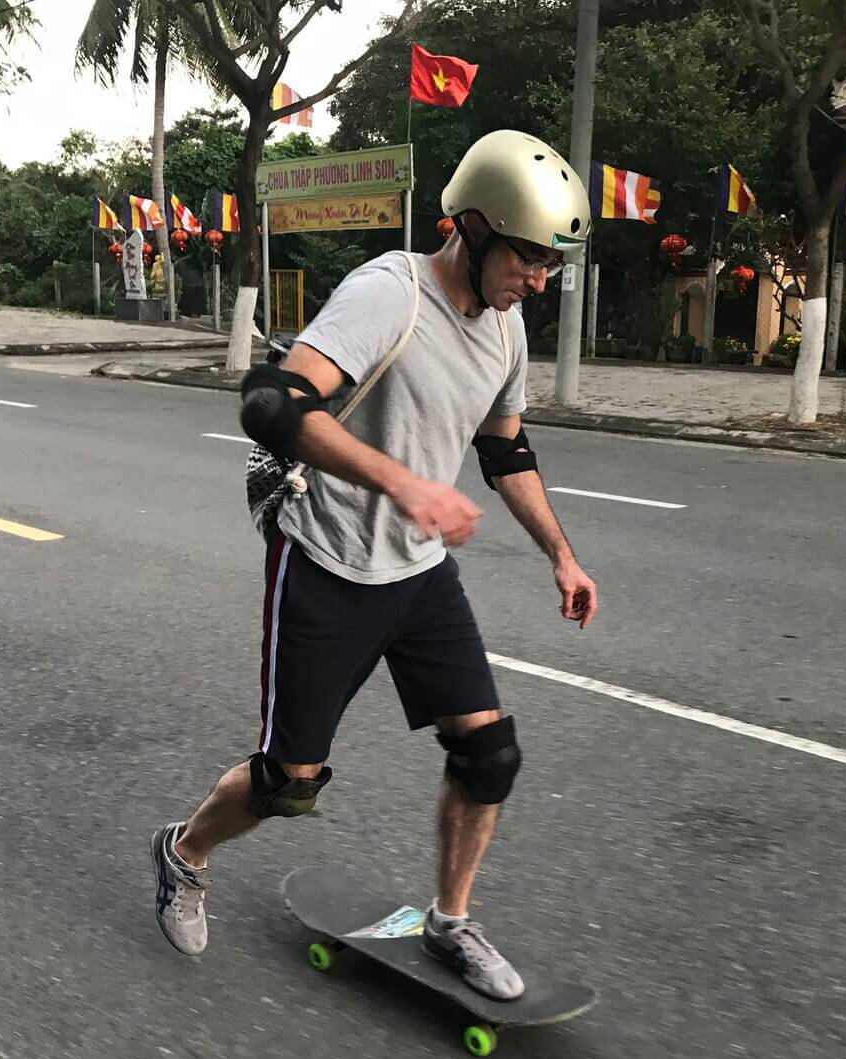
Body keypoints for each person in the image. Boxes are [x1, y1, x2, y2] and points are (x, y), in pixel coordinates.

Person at [149, 130, 599, 1000]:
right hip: (325, 558)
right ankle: (185, 849)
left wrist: (562, 555)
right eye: (529, 259)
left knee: (490, 755)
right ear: (470, 228)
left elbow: (505, 448)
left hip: (419, 573)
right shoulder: (388, 294)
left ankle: (450, 922)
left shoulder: (505, 333)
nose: (538, 281)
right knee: (289, 785)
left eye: (553, 265)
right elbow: (271, 402)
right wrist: (404, 484)